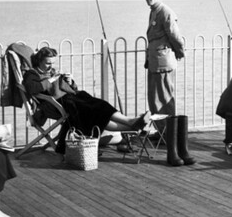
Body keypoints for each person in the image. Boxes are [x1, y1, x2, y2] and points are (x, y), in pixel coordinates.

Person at [23, 46, 151, 156]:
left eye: (53, 63)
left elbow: (72, 89)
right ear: (39, 61)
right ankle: (131, 124)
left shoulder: (52, 72)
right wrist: (52, 80)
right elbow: (32, 89)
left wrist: (69, 81)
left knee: (100, 105)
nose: (51, 66)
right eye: (48, 63)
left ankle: (131, 123)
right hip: (54, 105)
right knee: (91, 110)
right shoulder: (32, 74)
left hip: (71, 98)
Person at [139, 0, 196, 167]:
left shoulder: (165, 11)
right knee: (155, 101)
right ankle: (166, 136)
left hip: (163, 62)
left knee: (164, 100)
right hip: (155, 62)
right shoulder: (154, 11)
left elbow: (174, 35)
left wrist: (180, 51)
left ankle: (173, 142)